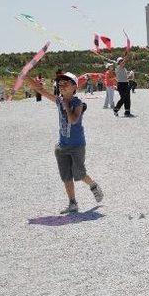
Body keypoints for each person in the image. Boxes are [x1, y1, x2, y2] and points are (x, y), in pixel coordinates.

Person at [24, 72, 104, 214]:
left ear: (74, 87)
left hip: (77, 145)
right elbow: (41, 90)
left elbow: (73, 120)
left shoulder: (78, 103)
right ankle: (72, 203)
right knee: (66, 176)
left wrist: (66, 105)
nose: (61, 86)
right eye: (59, 84)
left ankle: (93, 185)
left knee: (79, 173)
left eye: (65, 84)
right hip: (62, 146)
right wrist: (25, 76)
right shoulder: (58, 100)